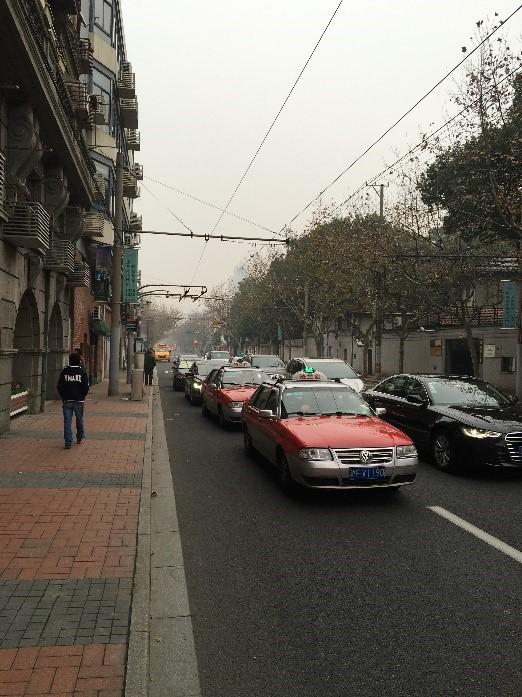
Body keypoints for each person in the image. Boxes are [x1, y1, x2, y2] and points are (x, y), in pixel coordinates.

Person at [57, 352, 90, 449]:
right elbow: (86, 387)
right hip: (79, 401)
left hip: (67, 400)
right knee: (79, 420)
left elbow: (59, 386)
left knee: (67, 421)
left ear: (70, 361)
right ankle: (79, 437)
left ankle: (68, 442)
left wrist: (63, 396)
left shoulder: (65, 371)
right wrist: (82, 396)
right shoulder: (82, 372)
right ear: (79, 361)